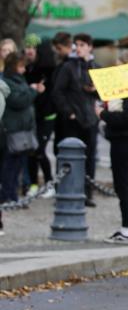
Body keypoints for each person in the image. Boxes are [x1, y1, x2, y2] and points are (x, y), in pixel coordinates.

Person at [99, 50, 128, 243]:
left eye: (119, 66)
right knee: (127, 184)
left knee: (124, 185)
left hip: (124, 141)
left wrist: (103, 114)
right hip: (126, 140)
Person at [51, 32, 99, 208]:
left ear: (89, 47)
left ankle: (87, 193)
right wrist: (68, 112)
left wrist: (95, 90)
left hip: (91, 119)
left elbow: (104, 93)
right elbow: (57, 92)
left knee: (90, 157)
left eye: (82, 45)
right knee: (69, 155)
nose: (78, 48)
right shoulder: (68, 67)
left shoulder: (96, 66)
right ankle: (65, 190)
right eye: (76, 45)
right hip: (73, 120)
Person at [1, 53, 41, 212]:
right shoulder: (7, 82)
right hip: (12, 130)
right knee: (9, 167)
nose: (24, 69)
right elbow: (18, 101)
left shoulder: (18, 80)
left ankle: (12, 196)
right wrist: (32, 92)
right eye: (21, 66)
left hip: (22, 129)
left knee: (17, 166)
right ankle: (7, 196)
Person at [24, 36, 56, 195]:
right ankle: (34, 184)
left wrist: (41, 91)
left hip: (46, 116)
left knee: (40, 150)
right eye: (27, 47)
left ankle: (50, 183)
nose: (29, 50)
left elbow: (51, 92)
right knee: (31, 150)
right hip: (32, 116)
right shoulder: (26, 68)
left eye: (32, 47)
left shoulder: (49, 70)